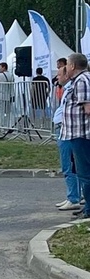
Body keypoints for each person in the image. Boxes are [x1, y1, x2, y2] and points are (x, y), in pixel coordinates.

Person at [59, 53, 90, 219]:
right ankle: (87, 207)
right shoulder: (78, 81)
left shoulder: (82, 80)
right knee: (82, 172)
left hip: (81, 134)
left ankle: (89, 209)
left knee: (85, 174)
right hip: (76, 133)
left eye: (68, 65)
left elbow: (88, 108)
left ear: (72, 66)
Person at [52, 59, 82, 211]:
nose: (57, 78)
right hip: (63, 128)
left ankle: (74, 197)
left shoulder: (72, 88)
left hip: (67, 130)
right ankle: (76, 195)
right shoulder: (67, 89)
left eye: (59, 74)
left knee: (68, 165)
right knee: (72, 165)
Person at [0, 61, 15, 129]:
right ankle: (9, 125)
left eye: (0, 67)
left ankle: (1, 126)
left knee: (0, 112)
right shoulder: (11, 75)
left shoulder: (0, 75)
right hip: (9, 96)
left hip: (1, 96)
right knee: (9, 112)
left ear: (4, 67)